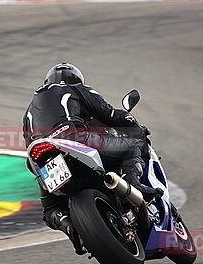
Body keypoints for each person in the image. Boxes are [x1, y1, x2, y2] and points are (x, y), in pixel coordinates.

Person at [23, 62, 154, 252]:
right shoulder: (75, 89)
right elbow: (109, 114)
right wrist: (136, 127)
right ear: (77, 79)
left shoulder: (29, 110)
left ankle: (69, 226)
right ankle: (134, 185)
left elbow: (28, 142)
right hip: (73, 139)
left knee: (51, 209)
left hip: (41, 156)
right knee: (133, 145)